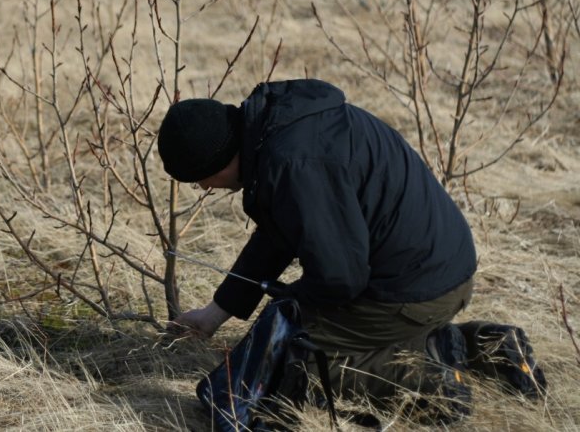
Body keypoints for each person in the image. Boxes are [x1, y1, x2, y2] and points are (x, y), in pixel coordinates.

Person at [157, 79, 477, 415]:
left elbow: (340, 278)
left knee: (286, 362)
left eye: (200, 178)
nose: (203, 187)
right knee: (283, 334)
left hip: (417, 291)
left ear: (220, 161)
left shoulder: (293, 164)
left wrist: (289, 305)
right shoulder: (280, 129)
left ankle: (432, 380)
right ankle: (472, 345)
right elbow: (276, 236)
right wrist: (215, 313)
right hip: (438, 271)